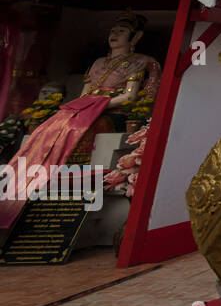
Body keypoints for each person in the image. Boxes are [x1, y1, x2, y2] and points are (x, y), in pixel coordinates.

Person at [0, 12, 159, 229]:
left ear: (136, 37)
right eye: (113, 31)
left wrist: (100, 103)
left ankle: (71, 181)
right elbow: (84, 94)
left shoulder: (139, 62)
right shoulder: (98, 63)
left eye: (122, 31)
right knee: (52, 125)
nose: (115, 35)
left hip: (114, 112)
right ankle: (31, 178)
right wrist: (85, 104)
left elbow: (130, 97)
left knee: (86, 127)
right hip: (86, 109)